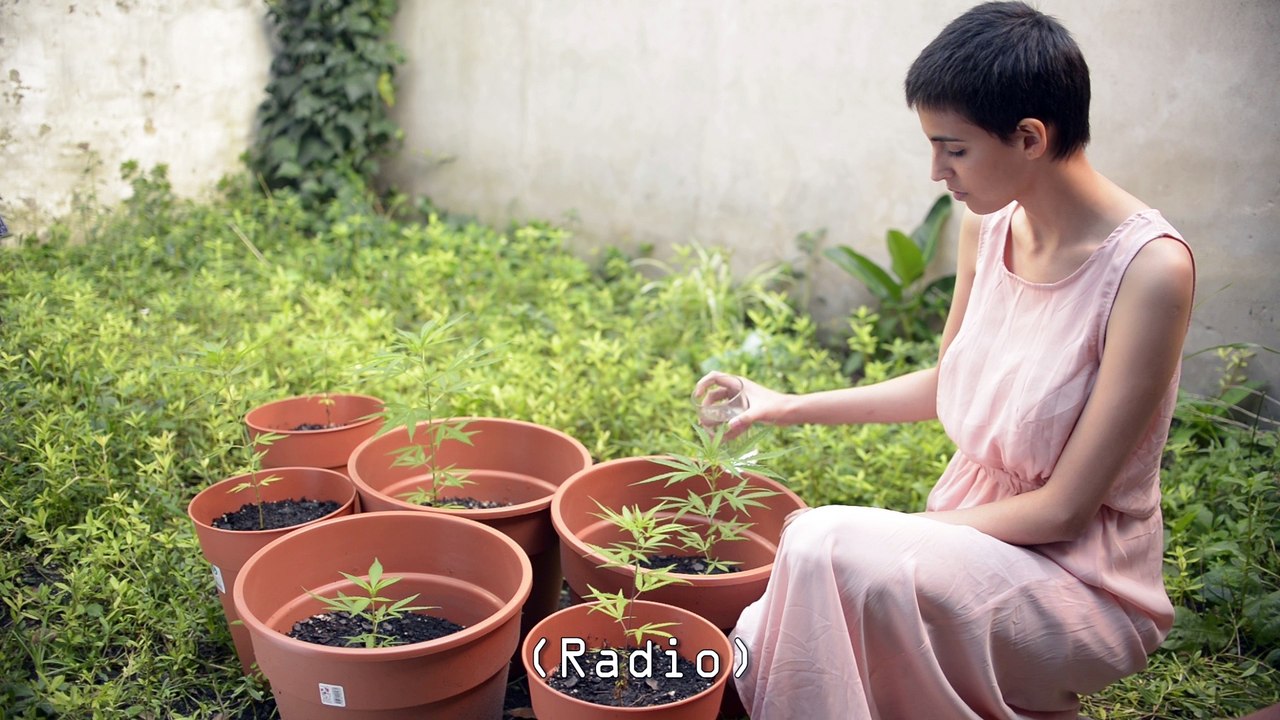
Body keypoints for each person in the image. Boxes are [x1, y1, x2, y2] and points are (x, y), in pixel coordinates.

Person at [693, 2, 1196, 718]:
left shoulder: (1148, 271)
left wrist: (886, 534)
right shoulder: (988, 227)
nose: (937, 171)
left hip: (1080, 582)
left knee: (821, 542)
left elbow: (1064, 509)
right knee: (819, 573)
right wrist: (783, 404)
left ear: (1029, 137)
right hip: (966, 546)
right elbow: (949, 380)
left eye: (953, 149)